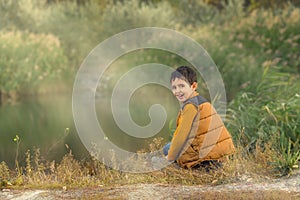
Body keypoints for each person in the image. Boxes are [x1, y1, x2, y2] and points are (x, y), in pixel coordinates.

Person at [163, 66, 235, 169]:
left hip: (204, 156)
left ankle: (185, 167)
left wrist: (169, 158)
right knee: (168, 147)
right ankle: (216, 164)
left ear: (193, 86)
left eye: (182, 86)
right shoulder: (200, 101)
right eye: (174, 87)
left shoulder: (190, 106)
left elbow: (181, 136)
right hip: (219, 152)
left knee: (166, 151)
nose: (178, 91)